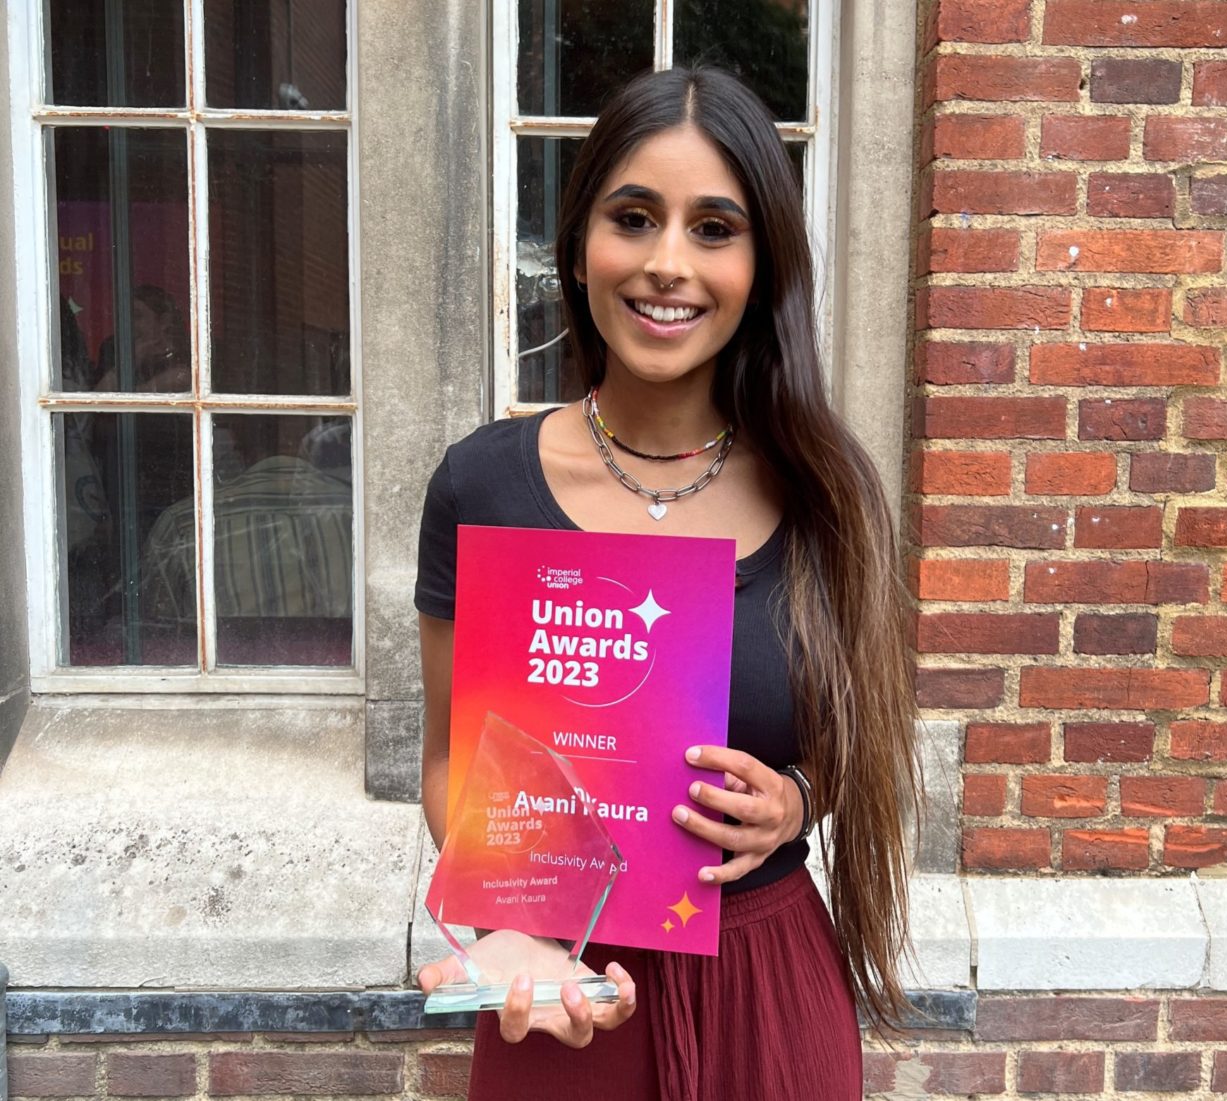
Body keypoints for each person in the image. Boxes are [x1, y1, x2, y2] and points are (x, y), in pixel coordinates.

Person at [414, 66, 921, 1100]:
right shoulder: (483, 486)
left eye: (713, 228)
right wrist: (501, 929)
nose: (665, 264)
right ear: (579, 242)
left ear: (762, 262)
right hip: (562, 999)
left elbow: (846, 751)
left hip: (765, 991)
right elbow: (449, 768)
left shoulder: (821, 488)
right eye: (633, 217)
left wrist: (795, 803)